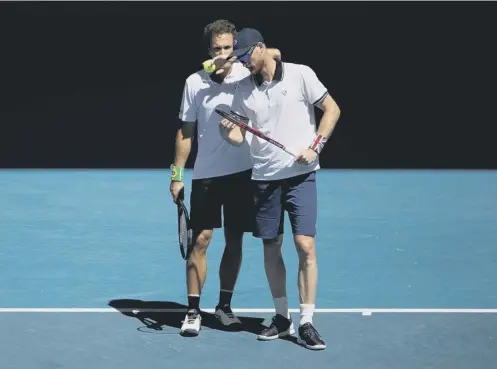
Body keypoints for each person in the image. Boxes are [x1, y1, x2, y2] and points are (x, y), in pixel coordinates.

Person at [220, 28, 341, 350]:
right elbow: (238, 139)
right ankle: (282, 316)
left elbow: (332, 110)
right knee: (271, 247)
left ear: (260, 48)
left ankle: (306, 321)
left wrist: (316, 147)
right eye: (240, 59)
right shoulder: (242, 91)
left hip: (302, 175)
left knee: (305, 246)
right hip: (264, 178)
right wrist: (228, 133)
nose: (245, 63)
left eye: (247, 56)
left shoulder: (301, 75)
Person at [170, 20, 281, 337]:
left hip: (243, 175)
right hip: (206, 176)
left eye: (228, 47)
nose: (222, 53)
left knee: (235, 240)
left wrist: (233, 63)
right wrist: (177, 174)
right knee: (200, 240)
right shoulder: (194, 82)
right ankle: (193, 311)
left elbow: (276, 57)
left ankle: (224, 306)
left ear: (237, 48)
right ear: (208, 50)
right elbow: (185, 132)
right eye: (216, 48)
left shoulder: (249, 76)